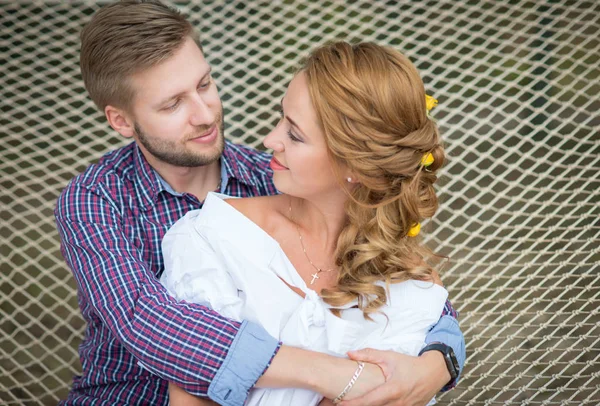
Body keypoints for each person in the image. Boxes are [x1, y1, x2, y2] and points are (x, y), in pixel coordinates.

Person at [54, 1, 466, 405]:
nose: (205, 114)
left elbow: (405, 284)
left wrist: (438, 363)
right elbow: (148, 321)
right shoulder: (94, 201)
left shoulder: (274, 177)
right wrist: (341, 377)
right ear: (121, 121)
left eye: (204, 84)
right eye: (173, 104)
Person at [160, 41, 455, 406]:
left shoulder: (410, 285)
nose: (270, 140)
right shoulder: (213, 236)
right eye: (282, 118)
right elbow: (192, 390)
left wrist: (438, 364)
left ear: (355, 167)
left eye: (295, 134)